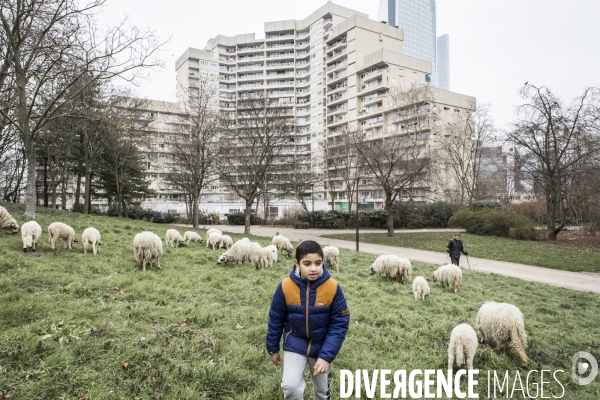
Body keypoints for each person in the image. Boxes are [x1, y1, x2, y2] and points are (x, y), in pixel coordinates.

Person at [266, 240, 350, 400]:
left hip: (322, 346)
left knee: (322, 391)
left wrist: (326, 356)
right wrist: (273, 348)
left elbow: (339, 324)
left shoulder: (333, 287)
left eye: (318, 263)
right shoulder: (285, 286)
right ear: (297, 264)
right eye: (307, 263)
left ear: (323, 262)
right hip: (294, 343)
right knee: (290, 387)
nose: (313, 268)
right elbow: (276, 319)